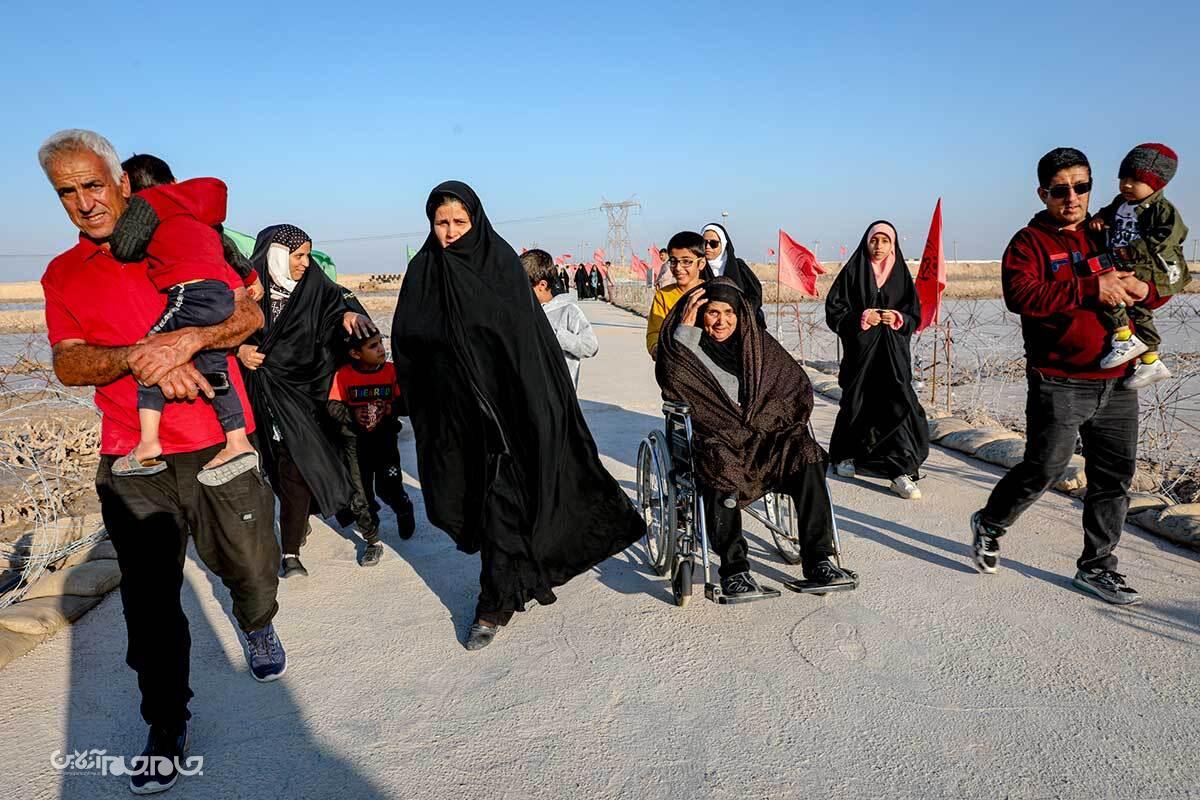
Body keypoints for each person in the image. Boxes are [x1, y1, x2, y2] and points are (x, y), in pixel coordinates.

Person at [38, 129, 285, 795]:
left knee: (253, 568)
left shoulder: (180, 237)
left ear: (121, 182)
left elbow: (249, 316)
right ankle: (166, 722)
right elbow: (68, 362)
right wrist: (140, 356)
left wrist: (189, 340)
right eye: (67, 192)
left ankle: (256, 621)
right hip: (133, 456)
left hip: (218, 444)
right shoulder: (62, 273)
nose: (85, 202)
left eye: (94, 184)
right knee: (149, 604)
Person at [391, 181, 644, 651]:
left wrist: (543, 408)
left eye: (459, 221)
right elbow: (408, 343)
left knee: (502, 506)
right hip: (456, 420)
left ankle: (493, 604)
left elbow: (529, 345)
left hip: (511, 416)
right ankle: (515, 576)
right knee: (477, 505)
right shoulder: (423, 272)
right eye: (441, 222)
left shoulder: (501, 266)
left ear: (476, 221)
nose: (450, 231)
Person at [970, 147, 1169, 605]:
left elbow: (1151, 283)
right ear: (1043, 193)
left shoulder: (1112, 233)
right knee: (1045, 467)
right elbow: (1022, 295)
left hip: (1120, 378)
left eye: (1081, 187)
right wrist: (1090, 287)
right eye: (1061, 190)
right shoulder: (1029, 243)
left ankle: (1097, 567)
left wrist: (1147, 290)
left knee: (1113, 477)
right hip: (1060, 380)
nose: (1072, 197)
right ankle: (991, 522)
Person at [656, 278, 854, 599]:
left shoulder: (757, 345)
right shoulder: (688, 349)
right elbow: (672, 378)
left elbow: (793, 384)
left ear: (741, 315)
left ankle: (819, 561)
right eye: (712, 312)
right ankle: (735, 571)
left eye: (729, 313)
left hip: (765, 439)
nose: (721, 321)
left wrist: (767, 417)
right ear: (701, 314)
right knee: (721, 464)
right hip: (719, 438)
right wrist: (686, 331)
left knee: (807, 454)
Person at [103, 160, 258, 484]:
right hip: (221, 295)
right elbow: (231, 252)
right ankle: (237, 441)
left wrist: (128, 230)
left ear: (126, 184)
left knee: (150, 354)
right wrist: (250, 277)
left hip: (189, 294)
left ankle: (148, 444)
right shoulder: (197, 213)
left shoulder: (149, 202)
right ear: (174, 180)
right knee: (214, 364)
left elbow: (126, 247)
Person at [238, 224, 376, 579]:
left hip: (306, 394)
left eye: (307, 255)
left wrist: (346, 314)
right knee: (277, 467)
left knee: (298, 465)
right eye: (297, 256)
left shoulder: (316, 286)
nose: (305, 263)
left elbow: (338, 306)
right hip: (263, 394)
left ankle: (290, 551)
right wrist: (240, 350)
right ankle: (297, 522)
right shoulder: (247, 291)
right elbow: (220, 329)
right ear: (275, 255)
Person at [824, 221, 929, 499]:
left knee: (898, 403)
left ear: (893, 245)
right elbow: (834, 310)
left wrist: (897, 318)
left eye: (885, 241)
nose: (879, 246)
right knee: (857, 401)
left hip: (893, 356)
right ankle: (846, 456)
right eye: (874, 240)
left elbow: (914, 315)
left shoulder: (901, 275)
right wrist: (861, 317)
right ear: (866, 242)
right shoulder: (853, 271)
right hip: (861, 354)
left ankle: (901, 470)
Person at [1090, 143, 1190, 388]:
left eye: (1136, 180)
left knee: (1119, 299)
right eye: (1123, 178)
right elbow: (1106, 212)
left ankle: (1124, 337)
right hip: (1121, 262)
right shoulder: (1120, 202)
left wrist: (1135, 249)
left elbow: (1171, 235)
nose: (1126, 185)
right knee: (1136, 311)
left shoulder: (1162, 209)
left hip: (1145, 267)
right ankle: (1150, 359)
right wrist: (1099, 219)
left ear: (1157, 184)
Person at [327, 330, 417, 567]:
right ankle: (372, 540)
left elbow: (406, 403)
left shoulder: (391, 371)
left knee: (389, 487)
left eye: (380, 343)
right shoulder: (343, 375)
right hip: (355, 445)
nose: (381, 349)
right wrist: (353, 414)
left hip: (385, 443)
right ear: (355, 353)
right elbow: (333, 407)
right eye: (373, 346)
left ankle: (403, 507)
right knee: (360, 495)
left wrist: (388, 409)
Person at [522, 248, 599, 387]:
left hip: (560, 392)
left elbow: (590, 346)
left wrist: (557, 336)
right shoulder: (525, 311)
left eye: (524, 287)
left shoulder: (568, 310)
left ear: (542, 285)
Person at [646, 231, 706, 357]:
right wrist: (658, 351)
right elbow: (654, 333)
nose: (678, 268)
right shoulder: (664, 296)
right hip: (673, 359)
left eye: (686, 261)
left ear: (701, 263)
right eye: (673, 261)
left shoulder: (711, 292)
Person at [700, 223, 765, 322]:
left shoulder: (739, 267)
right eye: (704, 243)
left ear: (723, 244)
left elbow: (755, 295)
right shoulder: (697, 268)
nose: (707, 247)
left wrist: (742, 315)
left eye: (713, 243)